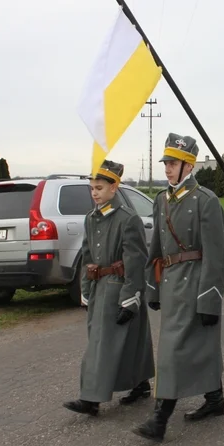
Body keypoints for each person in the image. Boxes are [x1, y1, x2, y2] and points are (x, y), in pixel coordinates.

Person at [133, 133, 224, 442]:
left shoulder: (206, 200)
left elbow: (216, 255)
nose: (168, 169)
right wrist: (153, 288)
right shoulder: (161, 200)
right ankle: (215, 400)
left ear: (189, 165)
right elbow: (156, 250)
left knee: (173, 352)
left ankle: (160, 418)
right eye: (166, 164)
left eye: (173, 164)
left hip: (196, 282)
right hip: (172, 284)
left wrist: (210, 300)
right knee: (197, 346)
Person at [63, 160, 155, 417]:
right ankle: (140, 384)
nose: (95, 193)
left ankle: (90, 399)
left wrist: (131, 297)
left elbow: (135, 261)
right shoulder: (90, 218)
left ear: (114, 188)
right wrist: (85, 288)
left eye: (100, 188)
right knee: (125, 339)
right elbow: (87, 254)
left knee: (103, 344)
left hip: (120, 287)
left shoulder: (128, 219)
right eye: (92, 188)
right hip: (98, 285)